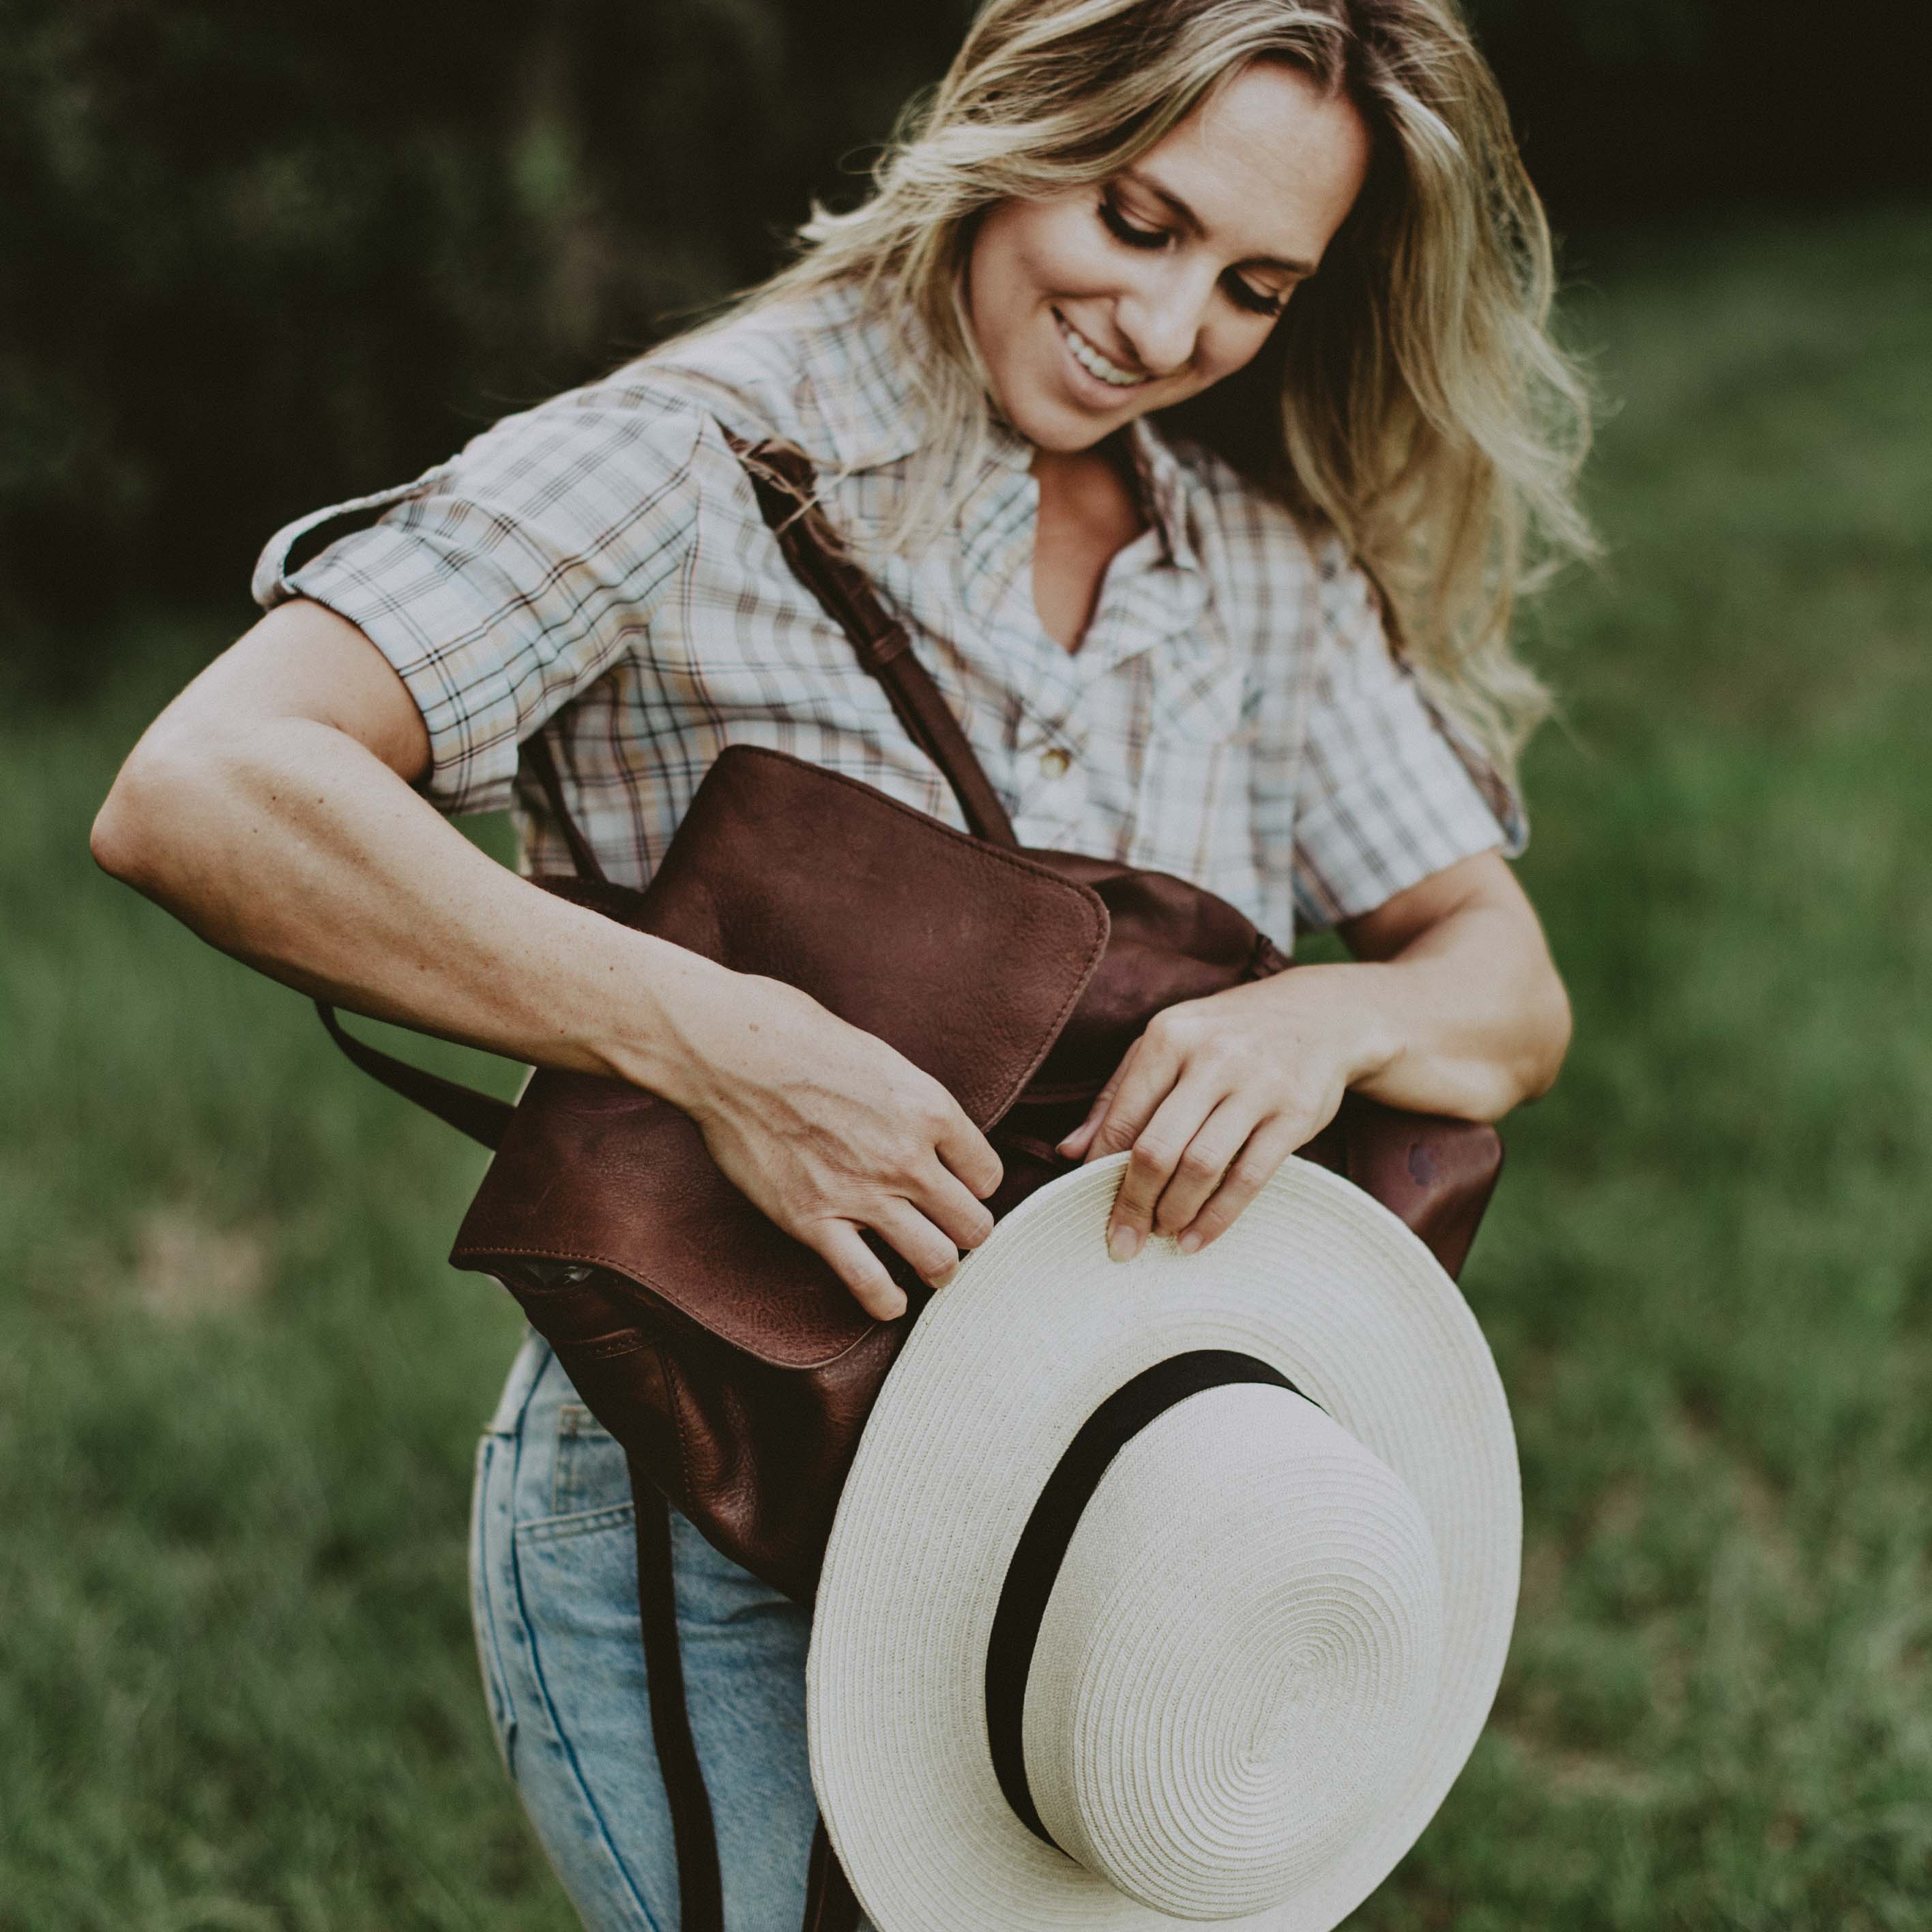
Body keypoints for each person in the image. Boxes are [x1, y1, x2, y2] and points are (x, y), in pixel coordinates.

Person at [91, 1, 1590, 1925]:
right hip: (722, 1458)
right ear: (1013, 122)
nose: (1167, 323)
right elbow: (202, 791)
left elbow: (1506, 992)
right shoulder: (689, 461)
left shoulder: (1258, 570)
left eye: (1254, 283)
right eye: (1136, 219)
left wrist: (1331, 1011)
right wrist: (718, 1043)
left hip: (1118, 1496)